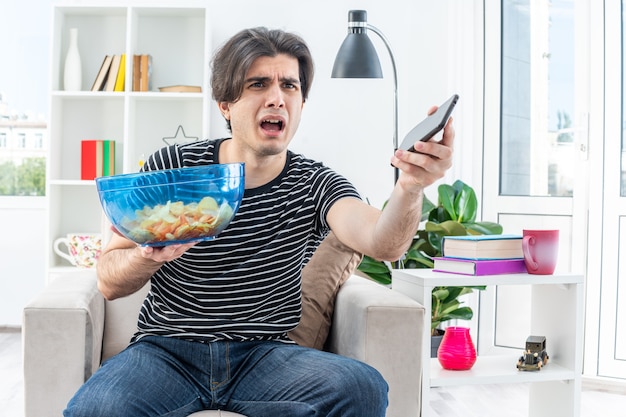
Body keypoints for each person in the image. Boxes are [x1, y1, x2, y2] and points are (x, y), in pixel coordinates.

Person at [64, 27, 454, 417]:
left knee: (362, 387)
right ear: (225, 104)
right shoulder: (175, 169)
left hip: (265, 357)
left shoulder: (315, 183)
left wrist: (411, 186)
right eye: (258, 84)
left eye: (289, 86)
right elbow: (108, 281)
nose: (277, 99)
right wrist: (148, 256)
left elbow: (383, 242)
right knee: (94, 409)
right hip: (167, 351)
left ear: (302, 102)